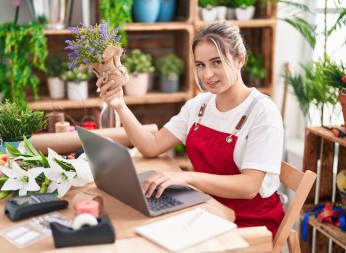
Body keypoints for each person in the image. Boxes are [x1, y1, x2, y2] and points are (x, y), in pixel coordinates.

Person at [97, 22, 285, 237]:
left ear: (239, 59)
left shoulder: (262, 112)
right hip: (205, 208)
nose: (207, 75)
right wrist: (120, 106)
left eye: (217, 62)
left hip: (248, 223)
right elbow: (151, 146)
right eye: (200, 65)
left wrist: (188, 178)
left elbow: (249, 186)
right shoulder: (200, 105)